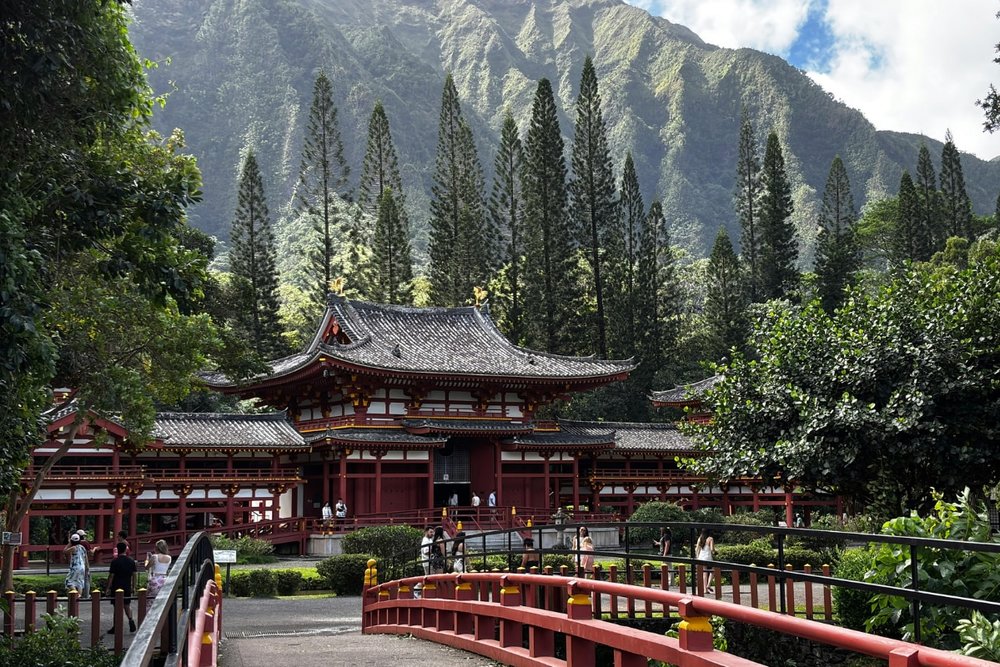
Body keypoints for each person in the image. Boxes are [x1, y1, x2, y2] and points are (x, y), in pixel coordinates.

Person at [106, 542, 138, 634]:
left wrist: (108, 588)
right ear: (125, 550)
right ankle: (131, 620)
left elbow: (111, 575)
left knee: (117, 607)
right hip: (127, 585)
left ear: (118, 550)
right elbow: (134, 575)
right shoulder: (131, 561)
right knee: (127, 605)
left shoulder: (115, 561)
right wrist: (134, 586)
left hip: (117, 586)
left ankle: (116, 626)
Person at [144, 539, 172, 612]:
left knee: (150, 600)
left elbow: (147, 567)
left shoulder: (154, 556)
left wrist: (147, 560)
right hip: (165, 579)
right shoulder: (169, 558)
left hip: (155, 579)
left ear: (157, 548)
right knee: (162, 601)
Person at [696, 529, 715, 594]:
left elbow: (697, 549)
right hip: (708, 557)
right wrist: (715, 551)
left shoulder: (700, 538)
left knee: (704, 572)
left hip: (701, 557)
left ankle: (705, 590)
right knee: (713, 570)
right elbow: (712, 549)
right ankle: (708, 585)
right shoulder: (710, 539)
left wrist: (697, 557)